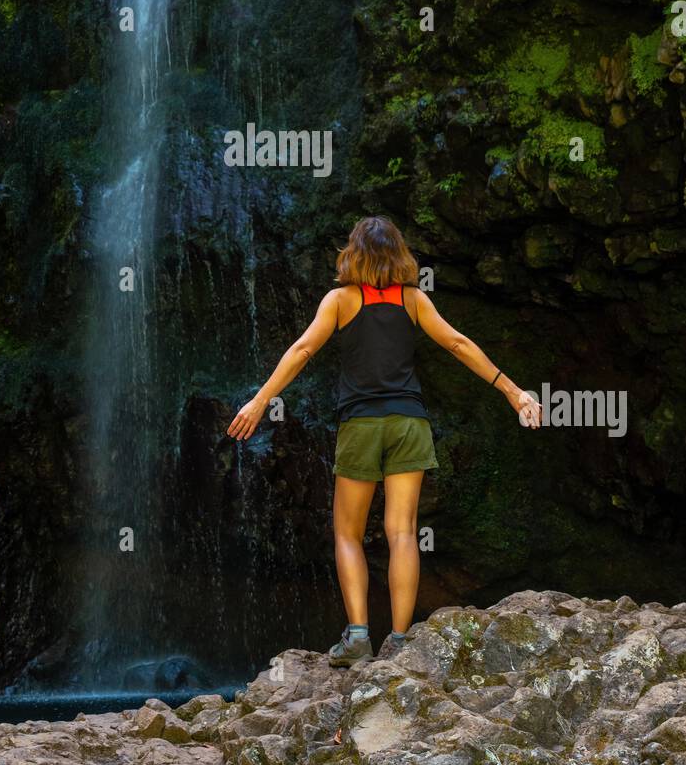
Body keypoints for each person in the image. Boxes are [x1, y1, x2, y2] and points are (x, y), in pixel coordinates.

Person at [227, 215, 542, 666]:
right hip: (409, 423)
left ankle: (358, 637)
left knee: (348, 533)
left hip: (361, 425)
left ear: (352, 255)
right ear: (399, 256)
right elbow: (457, 343)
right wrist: (513, 392)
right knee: (402, 533)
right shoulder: (413, 300)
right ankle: (398, 640)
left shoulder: (340, 300)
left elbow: (301, 351)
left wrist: (258, 402)